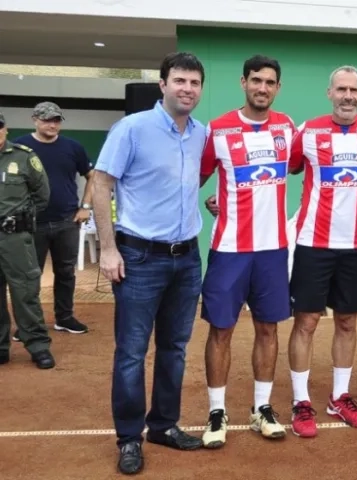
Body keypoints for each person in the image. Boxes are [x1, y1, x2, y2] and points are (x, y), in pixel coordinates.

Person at [92, 52, 207, 476]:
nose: (187, 89)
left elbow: (192, 181)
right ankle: (128, 438)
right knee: (132, 353)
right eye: (179, 80)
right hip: (139, 257)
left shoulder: (200, 134)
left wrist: (205, 201)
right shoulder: (132, 128)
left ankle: (163, 425)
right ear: (162, 84)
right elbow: (101, 184)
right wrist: (108, 248)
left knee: (174, 349)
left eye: (194, 82)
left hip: (187, 257)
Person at [285, 65, 357, 438]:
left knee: (347, 322)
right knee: (307, 322)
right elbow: (284, 167)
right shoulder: (308, 131)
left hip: (356, 245)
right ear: (329, 93)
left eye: (354, 90)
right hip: (314, 243)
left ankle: (339, 397)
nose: (348, 96)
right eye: (341, 89)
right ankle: (301, 401)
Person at [198, 55, 293, 448]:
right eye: (256, 80)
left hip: (272, 250)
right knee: (221, 329)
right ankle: (216, 411)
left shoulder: (288, 128)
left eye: (270, 82)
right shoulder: (217, 129)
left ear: (277, 88)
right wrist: (211, 201)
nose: (263, 88)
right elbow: (196, 177)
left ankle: (262, 409)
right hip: (230, 249)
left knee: (267, 328)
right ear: (243, 83)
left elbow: (310, 165)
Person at [4, 101, 93, 341]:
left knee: (66, 272)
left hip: (66, 221)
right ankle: (28, 325)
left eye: (56, 120)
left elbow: (91, 176)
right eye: (46, 119)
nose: (51, 124)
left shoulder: (73, 147)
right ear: (35, 119)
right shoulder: (20, 146)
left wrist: (85, 207)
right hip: (30, 224)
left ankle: (64, 318)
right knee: (29, 277)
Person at [0, 110, 55, 369]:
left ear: (5, 129)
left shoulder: (23, 157)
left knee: (25, 293)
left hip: (15, 238)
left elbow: (42, 194)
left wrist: (20, 218)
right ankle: (1, 348)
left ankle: (38, 346)